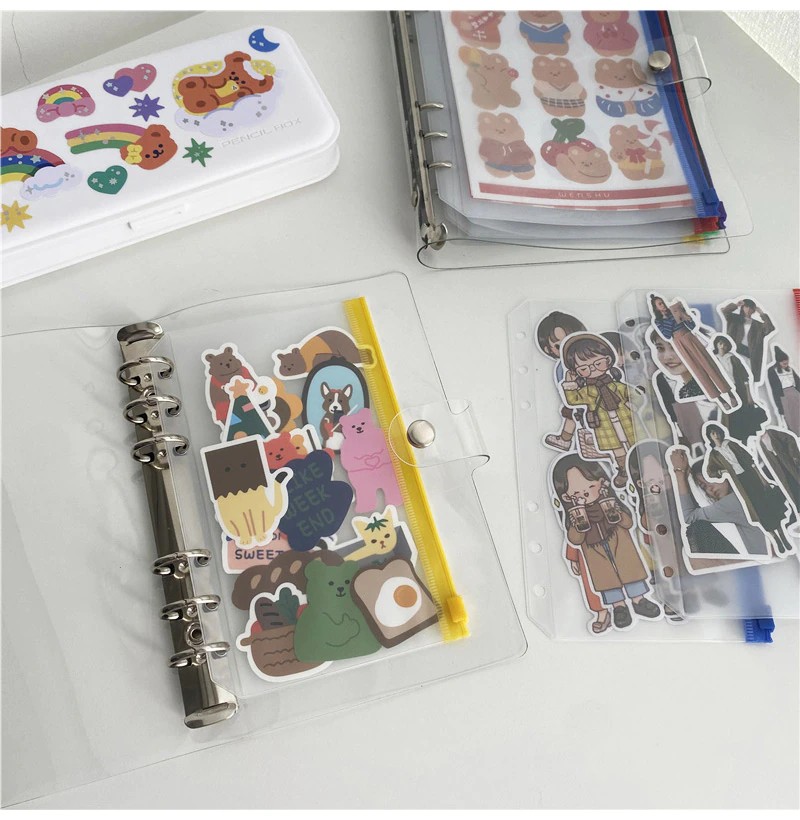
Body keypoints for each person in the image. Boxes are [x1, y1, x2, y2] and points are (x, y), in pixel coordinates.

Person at [552, 453, 661, 630]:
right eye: (576, 493)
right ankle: (619, 607)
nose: (585, 494)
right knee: (606, 578)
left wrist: (614, 512)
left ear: (602, 482)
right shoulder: (575, 516)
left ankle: (639, 600)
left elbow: (628, 523)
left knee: (629, 570)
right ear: (566, 497)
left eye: (590, 486)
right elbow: (574, 539)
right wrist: (579, 520)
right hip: (594, 551)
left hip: (619, 543)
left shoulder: (610, 503)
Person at [702, 423, 793, 555]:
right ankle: (775, 539)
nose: (716, 435)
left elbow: (751, 461)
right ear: (709, 437)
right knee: (757, 511)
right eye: (712, 433)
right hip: (740, 485)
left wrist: (763, 479)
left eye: (716, 431)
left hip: (752, 477)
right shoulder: (714, 454)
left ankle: (783, 536)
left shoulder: (732, 444)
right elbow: (710, 472)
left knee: (768, 506)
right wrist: (721, 472)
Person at [560, 333, 634, 487]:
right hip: (604, 426)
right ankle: (624, 470)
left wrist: (634, 403)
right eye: (584, 368)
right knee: (617, 448)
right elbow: (573, 399)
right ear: (577, 371)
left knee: (633, 441)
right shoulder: (588, 391)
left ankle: (639, 465)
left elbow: (630, 395)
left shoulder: (616, 385)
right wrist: (569, 383)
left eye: (598, 363)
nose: (593, 369)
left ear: (608, 360)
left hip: (625, 419)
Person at [668, 447, 771, 557]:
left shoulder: (732, 502)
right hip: (769, 557)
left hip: (767, 561)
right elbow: (693, 513)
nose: (709, 488)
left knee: (698, 528)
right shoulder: (744, 493)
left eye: (709, 479)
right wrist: (685, 476)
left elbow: (689, 517)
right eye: (703, 486)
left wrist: (680, 473)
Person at [649, 294, 737, 411]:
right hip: (679, 343)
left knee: (709, 365)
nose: (663, 305)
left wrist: (686, 316)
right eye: (660, 304)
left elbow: (692, 326)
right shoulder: (659, 321)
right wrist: (670, 319)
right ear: (656, 307)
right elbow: (667, 334)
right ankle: (720, 399)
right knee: (697, 371)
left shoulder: (674, 310)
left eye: (663, 302)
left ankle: (730, 394)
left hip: (690, 337)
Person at [649, 330, 717, 456]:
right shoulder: (663, 382)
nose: (667, 357)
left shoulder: (718, 385)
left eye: (675, 347)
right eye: (660, 348)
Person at [535, 311, 587, 452]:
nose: (569, 346)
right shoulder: (562, 367)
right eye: (559, 345)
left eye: (573, 340)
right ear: (548, 349)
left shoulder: (589, 356)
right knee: (571, 412)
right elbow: (565, 390)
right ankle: (566, 439)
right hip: (578, 400)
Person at [712, 335, 768, 445]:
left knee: (744, 415)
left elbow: (745, 377)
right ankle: (737, 441)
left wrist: (749, 395)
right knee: (731, 419)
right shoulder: (713, 359)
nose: (722, 346)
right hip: (723, 391)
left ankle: (746, 440)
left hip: (738, 389)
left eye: (725, 344)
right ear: (716, 345)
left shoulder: (733, 358)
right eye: (720, 343)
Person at [719, 298, 775, 383]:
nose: (748, 309)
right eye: (746, 306)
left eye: (751, 307)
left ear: (754, 310)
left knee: (748, 379)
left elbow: (770, 328)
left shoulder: (758, 325)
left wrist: (761, 313)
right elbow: (725, 311)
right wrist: (736, 305)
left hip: (750, 354)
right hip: (735, 351)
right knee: (733, 376)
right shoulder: (734, 319)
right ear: (742, 307)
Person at [758, 427, 800, 515]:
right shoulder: (759, 442)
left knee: (796, 480)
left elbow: (789, 439)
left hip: (787, 462)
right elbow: (762, 460)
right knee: (790, 486)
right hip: (777, 468)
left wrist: (793, 454)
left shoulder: (772, 432)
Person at [767, 347, 800, 436]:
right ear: (778, 362)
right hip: (784, 396)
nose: (786, 364)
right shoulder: (772, 371)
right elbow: (775, 389)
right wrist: (779, 407)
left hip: (795, 393)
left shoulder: (790, 369)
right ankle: (796, 435)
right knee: (790, 417)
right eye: (783, 363)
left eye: (787, 362)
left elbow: (798, 382)